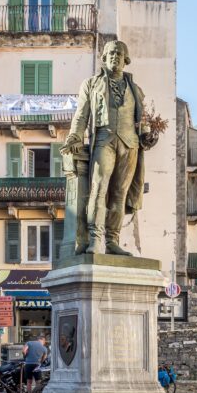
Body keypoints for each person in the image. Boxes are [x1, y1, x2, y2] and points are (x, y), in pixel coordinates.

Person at [62, 40, 150, 255]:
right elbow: (81, 115)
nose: (115, 57)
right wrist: (75, 136)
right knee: (99, 189)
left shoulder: (136, 90)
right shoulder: (91, 84)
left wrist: (148, 136)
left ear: (126, 59)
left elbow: (144, 121)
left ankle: (112, 241)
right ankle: (94, 239)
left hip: (130, 144)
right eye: (111, 53)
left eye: (119, 54)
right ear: (103, 57)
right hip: (104, 139)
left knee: (120, 194)